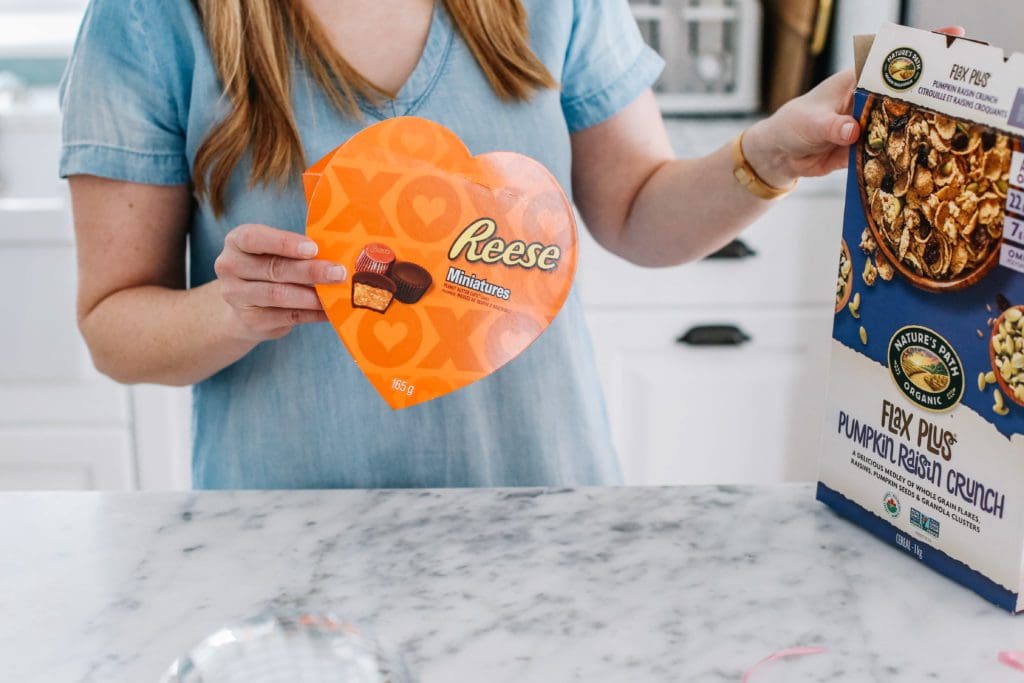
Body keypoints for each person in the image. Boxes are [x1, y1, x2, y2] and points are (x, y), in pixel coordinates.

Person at [58, 0, 951, 489]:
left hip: (544, 518)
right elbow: (113, 323)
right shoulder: (148, 19)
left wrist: (766, 155)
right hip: (290, 552)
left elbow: (639, 210)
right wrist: (231, 309)